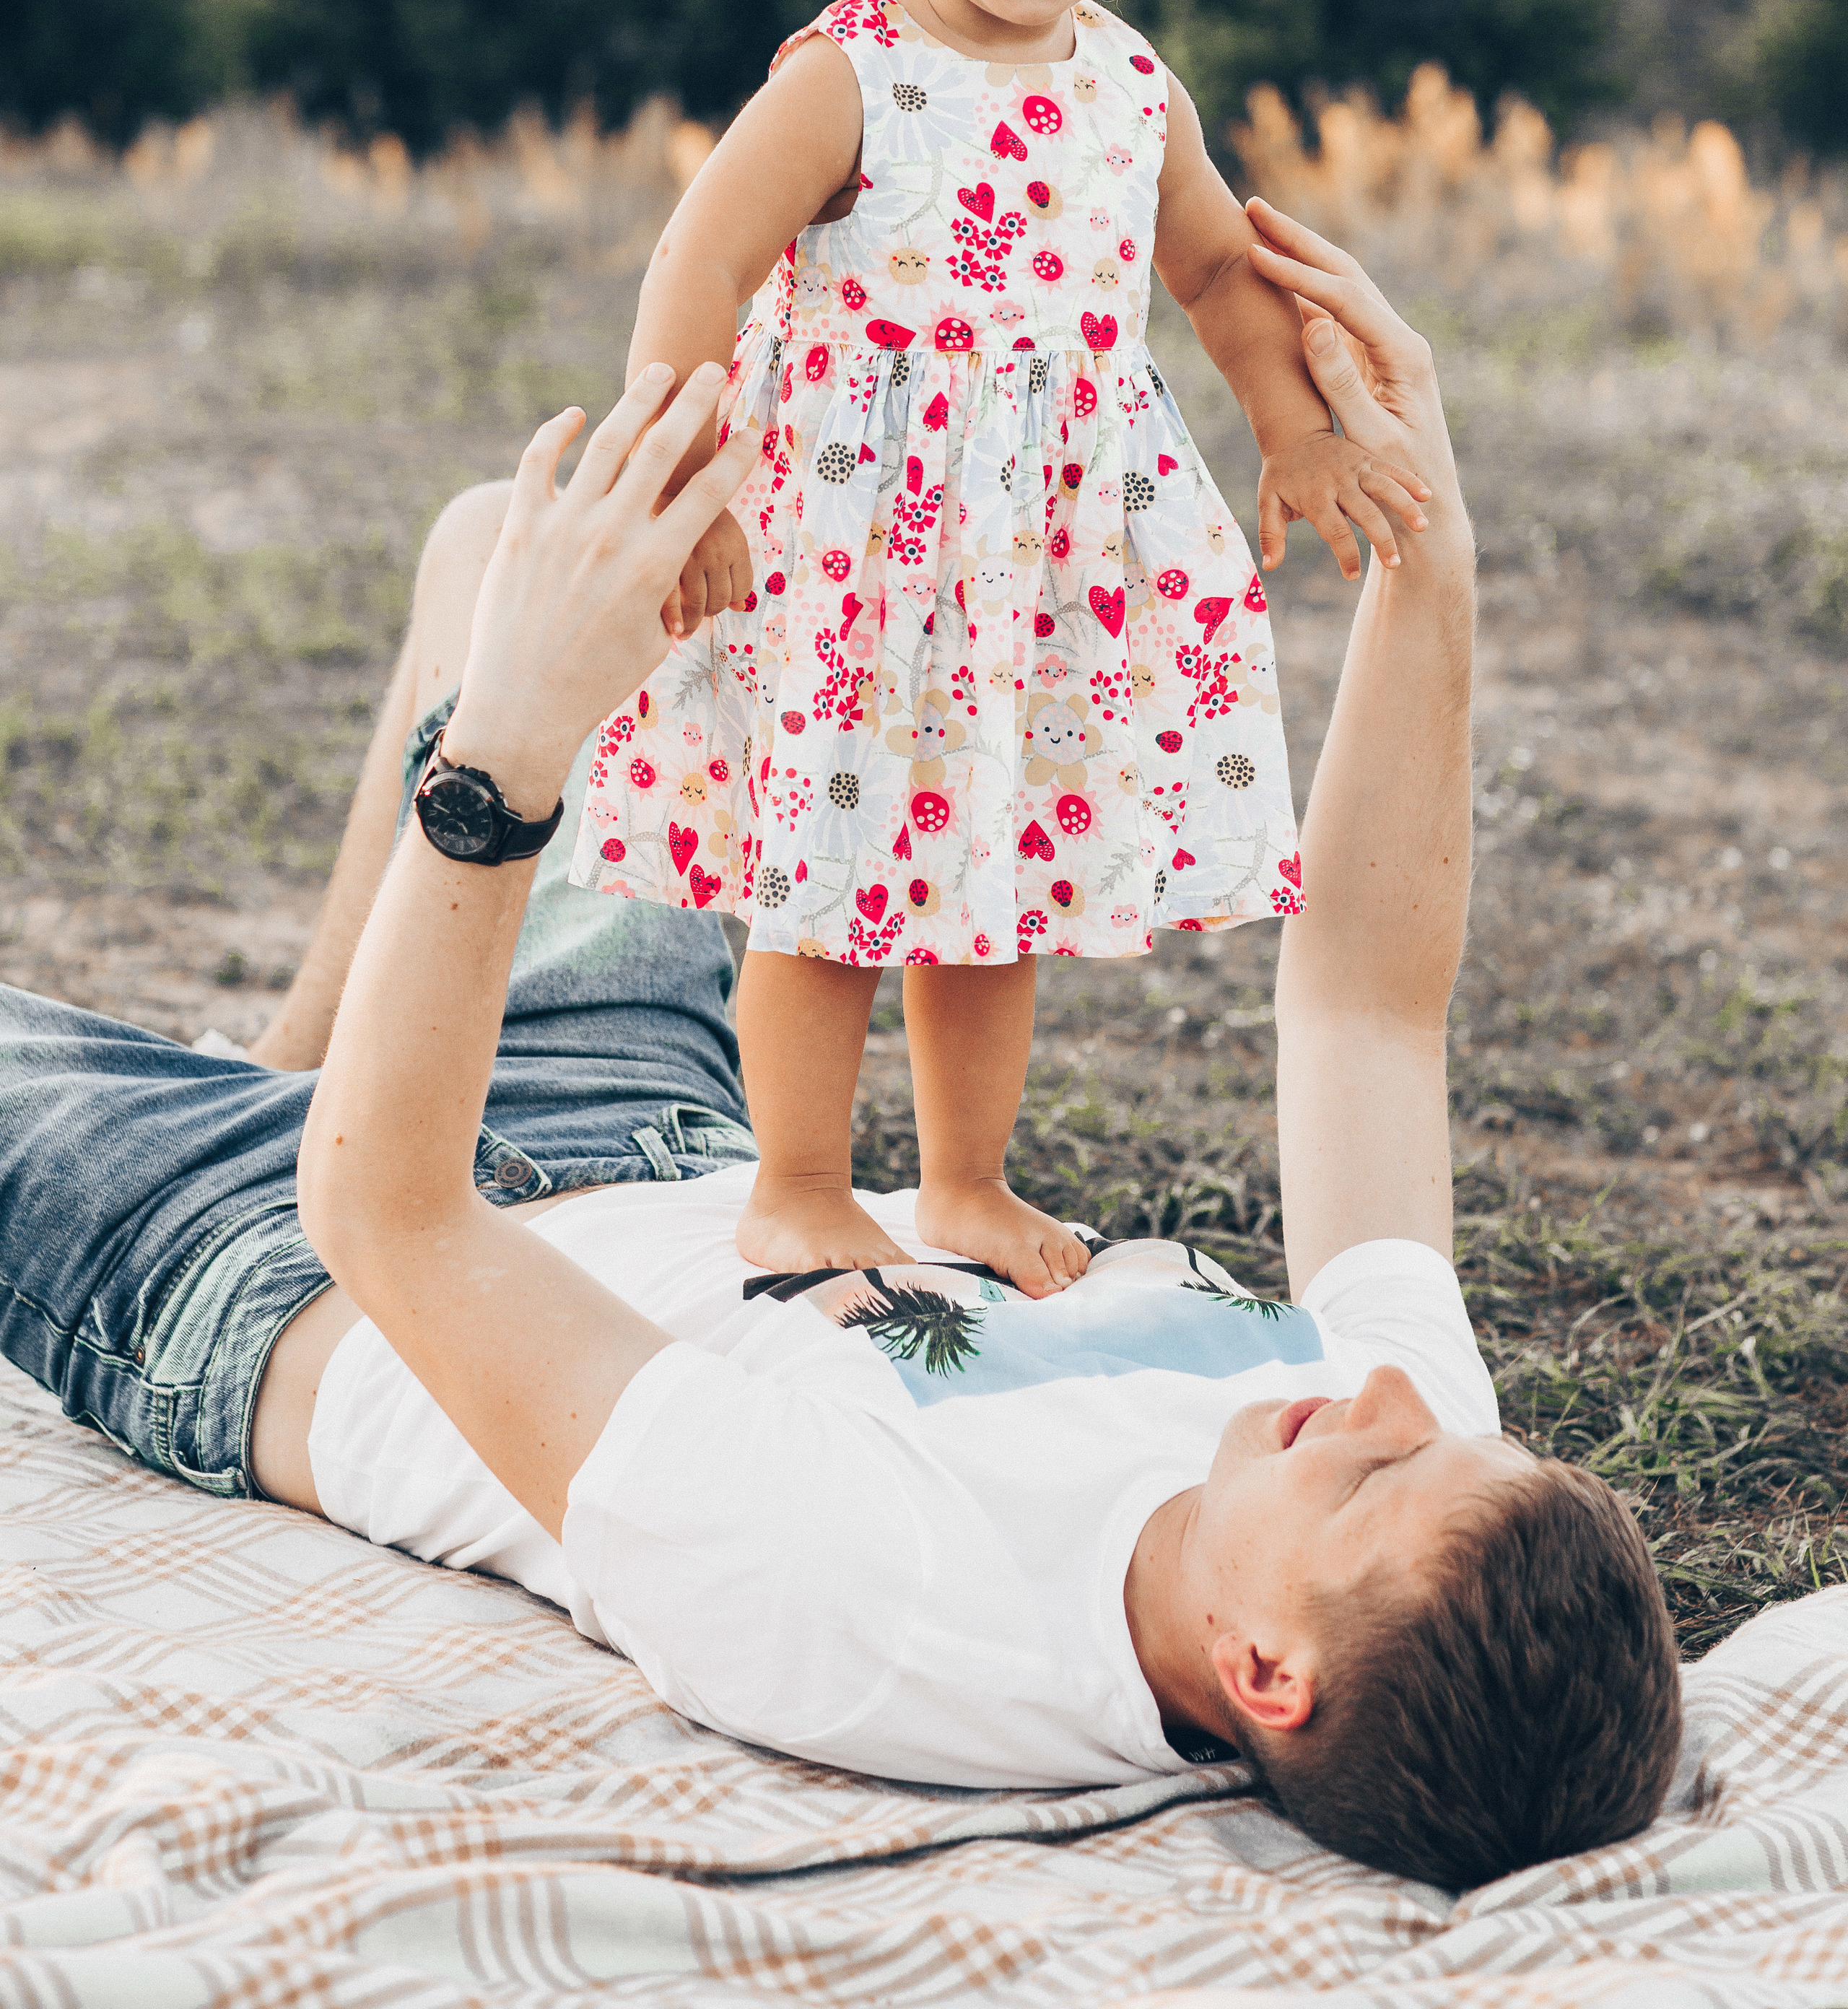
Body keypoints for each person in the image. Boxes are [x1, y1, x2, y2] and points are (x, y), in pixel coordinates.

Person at [0, 212, 1681, 1892]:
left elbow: (389, 1214)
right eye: (1445, 1426)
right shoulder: (1432, 1483)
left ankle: (275, 1065)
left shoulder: (872, 1601)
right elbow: (1367, 1012)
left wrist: (510, 747)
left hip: (278, 1265)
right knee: (498, 551)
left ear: (1264, 1676)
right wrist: (1424, 546)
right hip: (661, 1134)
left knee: (523, 647)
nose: (1382, 1389)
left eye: (1374, 1462)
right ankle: (294, 1037)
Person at [571, 0, 1432, 1292]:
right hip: (851, 549)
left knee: (995, 878)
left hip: (1036, 569)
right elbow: (700, 260)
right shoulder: (849, 73)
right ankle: (800, 1186)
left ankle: (962, 1183)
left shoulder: (1131, 91)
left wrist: (1293, 425)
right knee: (822, 885)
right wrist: (690, 479)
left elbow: (1213, 274)